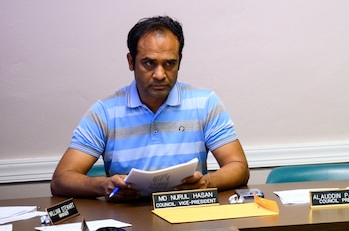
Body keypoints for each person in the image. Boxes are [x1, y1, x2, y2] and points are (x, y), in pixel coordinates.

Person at [51, 16, 250, 200]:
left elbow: (239, 167)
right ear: (131, 62)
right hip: (128, 223)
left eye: (170, 64)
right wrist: (103, 186)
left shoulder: (205, 103)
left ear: (180, 61)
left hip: (190, 217)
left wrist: (207, 182)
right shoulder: (105, 112)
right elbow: (61, 179)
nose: (160, 74)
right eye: (149, 63)